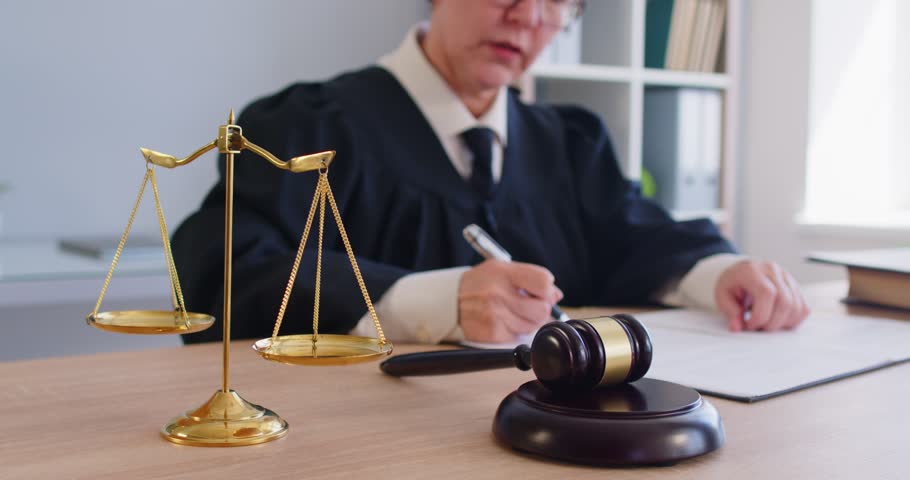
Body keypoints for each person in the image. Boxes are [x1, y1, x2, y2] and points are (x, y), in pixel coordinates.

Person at [173, 0, 809, 345]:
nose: (528, 15)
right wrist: (431, 302)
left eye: (558, 1)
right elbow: (228, 271)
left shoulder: (570, 143)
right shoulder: (307, 128)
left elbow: (634, 237)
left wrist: (722, 273)